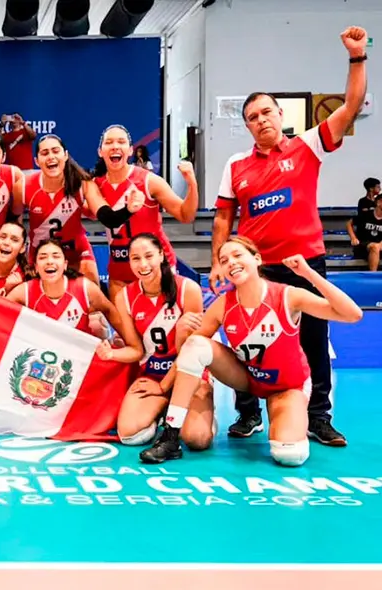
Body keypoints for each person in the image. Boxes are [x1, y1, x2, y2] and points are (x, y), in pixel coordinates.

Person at [210, 27, 368, 445]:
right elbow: (223, 219)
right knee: (245, 340)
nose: (261, 120)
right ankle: (248, 414)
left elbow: (351, 106)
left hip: (304, 264)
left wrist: (357, 57)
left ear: (280, 114)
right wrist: (217, 262)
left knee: (314, 340)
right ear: (247, 126)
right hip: (256, 270)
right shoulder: (235, 165)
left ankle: (318, 416)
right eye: (252, 117)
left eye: (266, 112)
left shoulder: (308, 146)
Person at [141, 237, 362, 466]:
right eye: (224, 260)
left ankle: (283, 414)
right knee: (196, 344)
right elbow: (189, 351)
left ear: (257, 259)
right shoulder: (223, 304)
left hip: (287, 385)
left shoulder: (288, 295)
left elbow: (353, 314)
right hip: (248, 379)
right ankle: (170, 436)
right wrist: (164, 384)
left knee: (290, 455)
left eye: (238, 255)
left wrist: (308, 274)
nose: (231, 262)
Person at [111, 234, 209, 448]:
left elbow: (193, 350)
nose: (143, 264)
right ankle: (164, 408)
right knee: (130, 435)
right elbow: (136, 350)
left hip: (189, 375)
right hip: (151, 376)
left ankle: (193, 410)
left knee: (197, 439)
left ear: (161, 255)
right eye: (135, 258)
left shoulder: (188, 289)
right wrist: (110, 353)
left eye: (149, 256)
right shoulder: (124, 297)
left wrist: (164, 385)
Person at [93, 125, 199, 300]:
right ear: (100, 151)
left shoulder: (149, 181)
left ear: (130, 150)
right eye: (109, 142)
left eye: (121, 141)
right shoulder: (95, 186)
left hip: (155, 267)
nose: (115, 146)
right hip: (120, 270)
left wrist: (192, 184)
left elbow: (185, 215)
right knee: (122, 318)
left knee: (159, 316)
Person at [25, 134, 146, 286]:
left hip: (76, 250)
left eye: (55, 151)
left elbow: (108, 218)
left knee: (92, 290)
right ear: (36, 160)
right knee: (34, 295)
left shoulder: (83, 184)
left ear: (65, 155)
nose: (51, 157)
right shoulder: (24, 186)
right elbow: (13, 221)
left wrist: (128, 210)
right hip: (41, 252)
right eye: (45, 153)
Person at [6, 239, 137, 347]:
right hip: (43, 359)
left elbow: (110, 312)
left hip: (80, 357)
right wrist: (7, 289)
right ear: (36, 267)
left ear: (65, 264)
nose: (50, 261)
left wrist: (132, 346)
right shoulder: (24, 291)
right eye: (43, 257)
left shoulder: (85, 287)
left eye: (56, 256)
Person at [348, 194, 382, 271]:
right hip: (363, 245)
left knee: (376, 246)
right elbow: (349, 223)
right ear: (378, 203)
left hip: (379, 246)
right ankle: (373, 275)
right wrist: (353, 237)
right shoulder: (365, 215)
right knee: (375, 247)